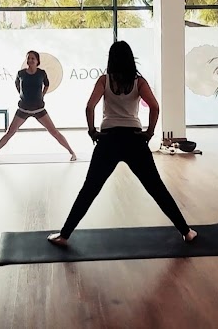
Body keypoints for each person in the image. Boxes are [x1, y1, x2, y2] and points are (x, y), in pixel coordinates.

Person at [47, 40, 197, 247]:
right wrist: (149, 133)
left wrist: (92, 131)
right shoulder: (139, 82)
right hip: (134, 140)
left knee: (89, 189)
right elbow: (154, 107)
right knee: (156, 188)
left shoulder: (104, 80)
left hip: (108, 140)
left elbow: (89, 107)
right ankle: (186, 232)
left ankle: (64, 235)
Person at [0, 50, 77, 163]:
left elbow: (47, 84)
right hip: (23, 108)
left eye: (32, 58)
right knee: (10, 132)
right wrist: (22, 95)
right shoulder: (21, 73)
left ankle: (72, 152)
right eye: (28, 58)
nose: (30, 60)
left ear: (37, 61)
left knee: (54, 132)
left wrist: (42, 95)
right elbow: (17, 85)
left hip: (39, 108)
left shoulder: (41, 73)